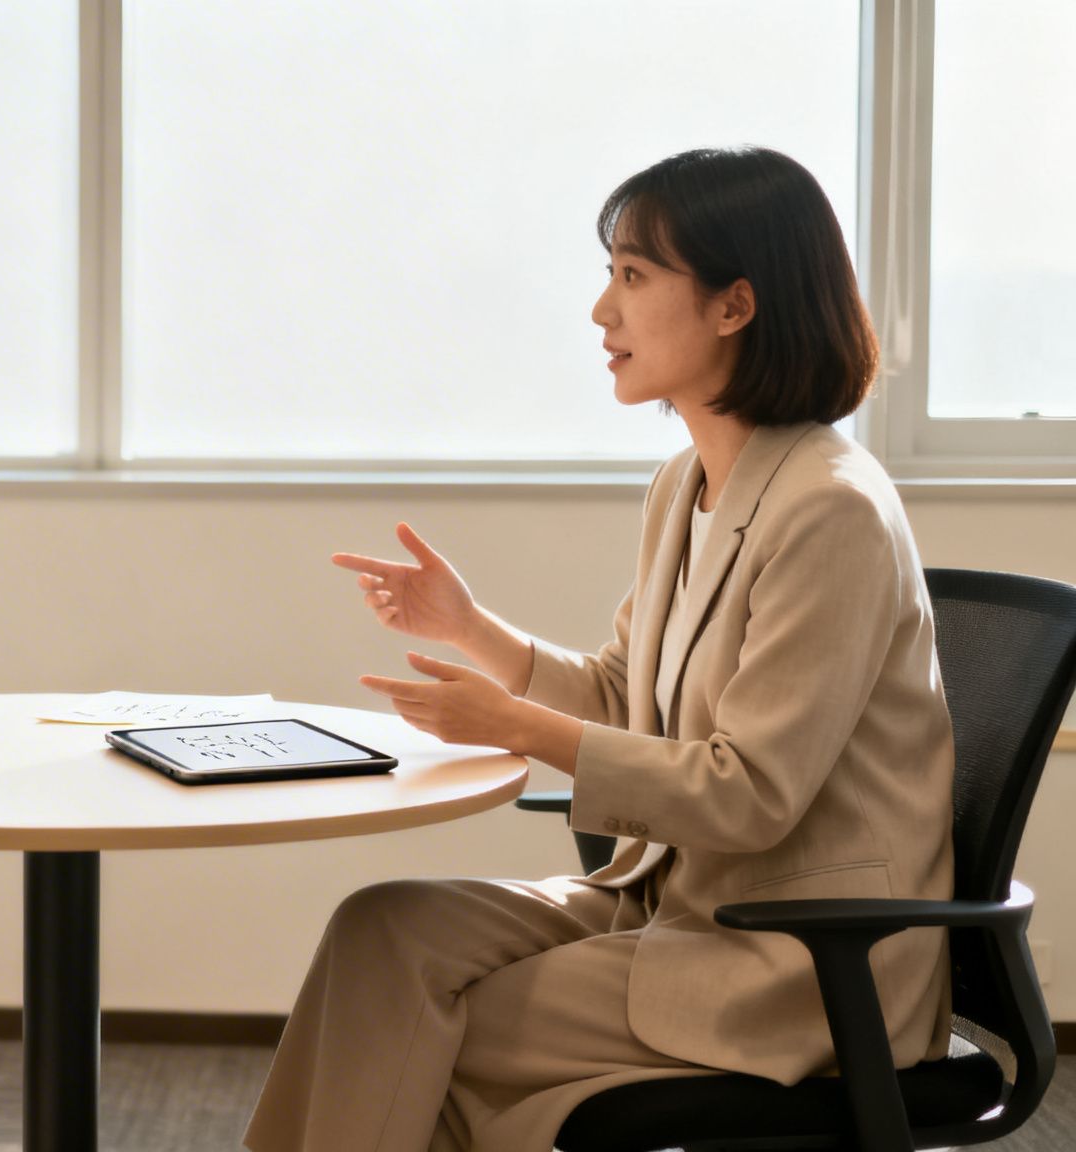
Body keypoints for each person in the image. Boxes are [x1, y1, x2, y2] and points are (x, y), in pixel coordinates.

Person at [244, 147, 955, 1151]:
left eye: (630, 277)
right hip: (666, 900)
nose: (599, 313)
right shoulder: (687, 486)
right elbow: (626, 697)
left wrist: (519, 727)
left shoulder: (828, 510)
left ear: (732, 306)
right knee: (384, 935)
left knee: (419, 1031)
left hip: (792, 958)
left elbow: (749, 792)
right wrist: (469, 629)